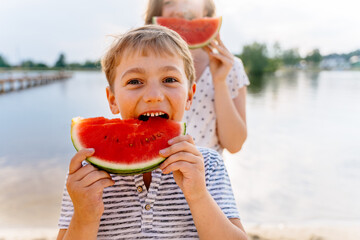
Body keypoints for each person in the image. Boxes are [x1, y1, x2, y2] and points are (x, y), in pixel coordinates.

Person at [56, 25, 247, 239]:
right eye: (135, 82)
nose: (154, 95)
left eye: (169, 80)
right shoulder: (87, 175)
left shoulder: (209, 165)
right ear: (112, 100)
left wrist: (199, 196)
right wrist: (84, 216)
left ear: (190, 96)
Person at [145, 0, 250, 155]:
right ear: (157, 12)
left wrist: (219, 82)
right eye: (169, 2)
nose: (179, 10)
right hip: (156, 176)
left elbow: (234, 145)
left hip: (209, 176)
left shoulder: (231, 67)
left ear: (206, 10)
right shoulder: (142, 65)